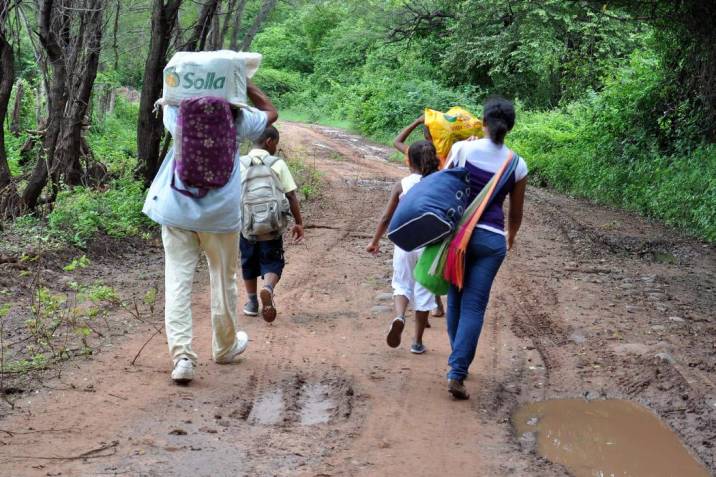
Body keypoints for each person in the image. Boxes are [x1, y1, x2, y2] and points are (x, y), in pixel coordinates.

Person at [143, 81, 278, 384]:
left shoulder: (179, 116)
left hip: (176, 209)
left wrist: (180, 82)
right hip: (219, 215)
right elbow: (272, 112)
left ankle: (182, 358)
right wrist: (247, 83)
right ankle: (225, 347)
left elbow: (167, 95)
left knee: (178, 281)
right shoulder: (239, 121)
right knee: (222, 279)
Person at [443, 97, 528, 399]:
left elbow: (444, 186)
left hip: (459, 237)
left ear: (482, 121)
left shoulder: (463, 149)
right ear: (510, 128)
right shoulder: (517, 164)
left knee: (455, 299)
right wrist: (511, 236)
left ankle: (459, 365)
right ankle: (457, 369)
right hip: (492, 240)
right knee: (475, 306)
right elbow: (515, 214)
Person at [367, 141, 440, 354]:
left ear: (411, 161)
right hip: (430, 244)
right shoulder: (439, 182)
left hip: (405, 241)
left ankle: (399, 316)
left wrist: (375, 241)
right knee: (424, 289)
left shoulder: (403, 184)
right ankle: (417, 342)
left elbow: (386, 217)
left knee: (401, 284)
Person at [239, 126, 304, 322]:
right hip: (272, 226)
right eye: (276, 142)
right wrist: (299, 223)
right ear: (269, 141)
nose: (277, 147)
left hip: (247, 226)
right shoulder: (277, 164)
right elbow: (291, 195)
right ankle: (268, 287)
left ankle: (251, 303)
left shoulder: (239, 163)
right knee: (273, 261)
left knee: (248, 262)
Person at [393, 115, 445, 320]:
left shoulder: (413, 153)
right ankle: (433, 308)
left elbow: (396, 141)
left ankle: (413, 312)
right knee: (428, 266)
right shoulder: (442, 158)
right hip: (433, 226)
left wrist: (415, 121)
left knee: (407, 274)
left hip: (409, 226)